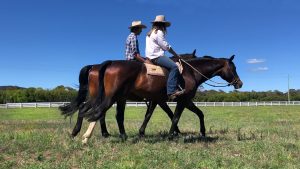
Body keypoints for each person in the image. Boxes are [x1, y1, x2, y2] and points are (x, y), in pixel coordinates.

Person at [145, 15, 185, 100]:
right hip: (157, 57)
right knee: (174, 67)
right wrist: (176, 55)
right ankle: (171, 91)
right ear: (162, 25)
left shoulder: (149, 34)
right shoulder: (159, 32)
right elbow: (166, 46)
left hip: (149, 57)